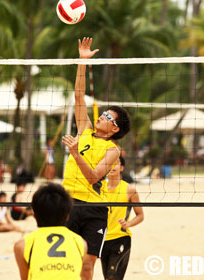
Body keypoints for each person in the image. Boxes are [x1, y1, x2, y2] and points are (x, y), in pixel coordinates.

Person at [61, 37, 131, 280]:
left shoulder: (113, 150)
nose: (102, 117)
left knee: (87, 265)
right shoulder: (85, 129)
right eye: (103, 113)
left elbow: (92, 178)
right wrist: (83, 61)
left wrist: (75, 153)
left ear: (114, 129)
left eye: (108, 117)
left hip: (94, 209)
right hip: (68, 203)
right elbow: (79, 95)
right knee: (67, 262)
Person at [14, 182, 87, 280]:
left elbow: (25, 278)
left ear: (34, 216)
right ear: (67, 216)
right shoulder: (81, 243)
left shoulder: (21, 245)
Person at [101, 156, 144, 280]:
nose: (112, 166)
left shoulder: (130, 190)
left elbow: (140, 215)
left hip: (121, 238)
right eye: (110, 163)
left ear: (122, 168)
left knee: (112, 277)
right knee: (107, 276)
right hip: (102, 239)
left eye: (116, 163)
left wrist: (128, 224)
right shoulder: (100, 188)